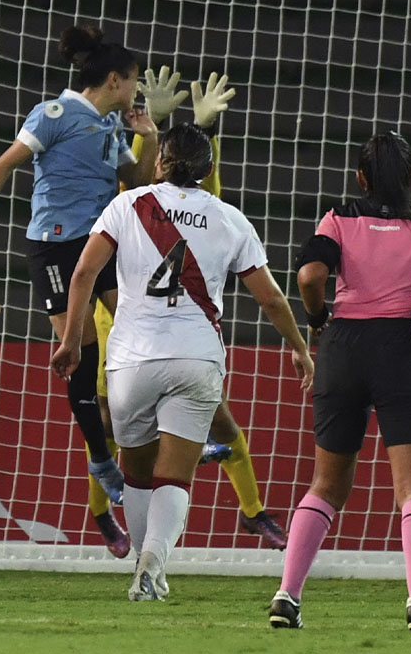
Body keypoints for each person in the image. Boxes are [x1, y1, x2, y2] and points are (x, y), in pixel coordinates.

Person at [50, 122, 314, 602]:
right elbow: (271, 298)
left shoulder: (127, 205)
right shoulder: (230, 218)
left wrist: (71, 340)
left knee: (136, 472)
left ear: (158, 163)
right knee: (176, 474)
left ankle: (140, 562)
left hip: (130, 361)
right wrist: (298, 345)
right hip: (196, 359)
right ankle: (154, 562)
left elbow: (84, 271)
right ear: (209, 168)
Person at [270, 132, 411, 633]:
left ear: (360, 178)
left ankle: (286, 595)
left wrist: (319, 318)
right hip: (405, 350)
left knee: (326, 484)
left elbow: (308, 277)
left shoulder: (338, 217)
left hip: (343, 350)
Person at [86, 70, 288, 557]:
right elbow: (160, 182)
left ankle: (252, 510)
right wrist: (150, 124)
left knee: (206, 432)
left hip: (148, 343)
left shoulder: (144, 206)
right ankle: (105, 517)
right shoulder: (131, 203)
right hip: (122, 336)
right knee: (112, 437)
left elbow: (197, 194)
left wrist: (184, 131)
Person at [0, 24, 158, 506]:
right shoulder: (55, 113)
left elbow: (133, 181)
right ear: (115, 79)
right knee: (82, 355)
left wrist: (149, 138)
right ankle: (100, 457)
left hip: (98, 245)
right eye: (134, 79)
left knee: (143, 324)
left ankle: (162, 428)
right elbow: (4, 164)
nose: (137, 88)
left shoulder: (113, 124)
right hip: (53, 249)